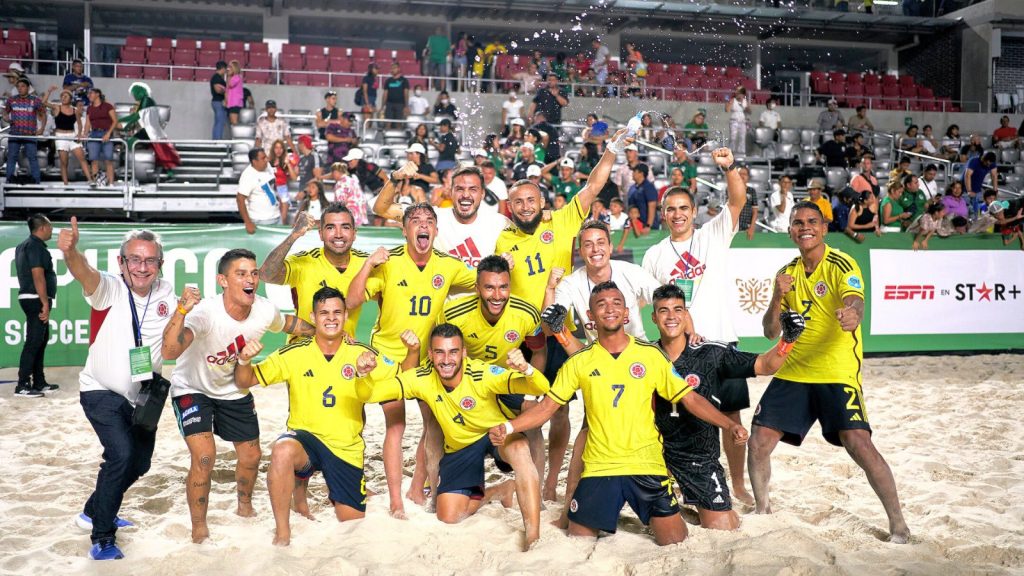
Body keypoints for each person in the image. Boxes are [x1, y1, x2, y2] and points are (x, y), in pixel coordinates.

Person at [490, 281, 747, 545]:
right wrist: (509, 427)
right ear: (590, 317)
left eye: (616, 303)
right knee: (579, 540)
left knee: (675, 541)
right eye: (601, 305)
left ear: (626, 313)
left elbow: (690, 399)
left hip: (647, 465)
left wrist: (728, 425)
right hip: (601, 468)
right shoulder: (579, 361)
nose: (609, 309)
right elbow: (546, 408)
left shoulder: (651, 355)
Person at [753, 201, 911, 544]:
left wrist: (853, 314)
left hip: (836, 369)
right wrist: (778, 298)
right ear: (790, 230)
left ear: (824, 228)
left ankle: (898, 525)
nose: (804, 227)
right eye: (798, 222)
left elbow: (855, 300)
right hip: (795, 369)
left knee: (858, 443)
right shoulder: (786, 272)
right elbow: (769, 332)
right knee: (759, 440)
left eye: (812, 221)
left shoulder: (842, 262)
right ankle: (762, 512)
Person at [495, 128, 627, 506]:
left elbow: (593, 185)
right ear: (510, 205)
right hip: (521, 335)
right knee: (530, 407)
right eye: (518, 201)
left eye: (531, 199)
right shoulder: (504, 238)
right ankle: (534, 476)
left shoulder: (562, 220)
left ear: (541, 200)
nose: (525, 206)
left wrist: (611, 150)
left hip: (557, 331)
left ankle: (552, 477)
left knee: (560, 409)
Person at [161, 249, 312, 544]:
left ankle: (244, 504)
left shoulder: (264, 310)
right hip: (193, 389)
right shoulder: (206, 312)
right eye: (241, 274)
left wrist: (328, 330)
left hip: (233, 389)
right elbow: (169, 352)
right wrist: (181, 311)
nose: (251, 279)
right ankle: (199, 528)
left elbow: (293, 325)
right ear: (223, 280)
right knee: (205, 457)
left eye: (254, 273)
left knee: (252, 456)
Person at [232, 286, 401, 546]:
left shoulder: (363, 354)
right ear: (312, 316)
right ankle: (282, 535)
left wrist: (405, 355)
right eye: (324, 313)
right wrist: (244, 361)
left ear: (346, 316)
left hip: (346, 448)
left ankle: (320, 490)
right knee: (282, 450)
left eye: (337, 312)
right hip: (306, 440)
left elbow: (405, 377)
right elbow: (246, 380)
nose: (331, 318)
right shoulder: (294, 353)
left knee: (352, 523)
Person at [356, 323, 548, 548]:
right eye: (439, 352)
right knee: (449, 515)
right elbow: (370, 393)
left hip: (494, 433)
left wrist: (526, 369)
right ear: (430, 354)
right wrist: (362, 375)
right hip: (460, 446)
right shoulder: (421, 378)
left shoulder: (481, 372)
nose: (446, 359)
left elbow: (539, 388)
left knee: (519, 448)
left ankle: (533, 537)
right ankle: (501, 490)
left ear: (464, 353)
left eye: (453, 351)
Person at [641, 147, 757, 505]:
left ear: (693, 211)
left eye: (683, 208)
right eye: (670, 209)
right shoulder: (654, 255)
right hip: (678, 349)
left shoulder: (713, 235)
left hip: (720, 340)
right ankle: (677, 479)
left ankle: (737, 482)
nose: (677, 214)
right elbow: (650, 303)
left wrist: (730, 167)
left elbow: (738, 200)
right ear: (663, 215)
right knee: (674, 418)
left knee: (730, 415)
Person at [346, 203, 477, 518]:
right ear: (404, 230)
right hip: (388, 356)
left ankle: (418, 487)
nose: (423, 225)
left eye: (429, 221)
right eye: (415, 221)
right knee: (396, 425)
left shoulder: (448, 265)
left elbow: (482, 284)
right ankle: (395, 501)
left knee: (435, 424)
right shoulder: (388, 262)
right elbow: (351, 301)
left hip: (424, 358)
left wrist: (506, 264)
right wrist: (367, 265)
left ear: (435, 231)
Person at [59, 221, 178, 559]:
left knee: (139, 464)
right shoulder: (108, 288)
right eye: (135, 260)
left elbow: (174, 339)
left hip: (143, 397)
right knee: (121, 455)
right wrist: (70, 252)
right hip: (100, 390)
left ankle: (94, 510)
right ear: (121, 262)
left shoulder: (166, 292)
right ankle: (102, 537)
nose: (142, 267)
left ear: (160, 265)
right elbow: (86, 274)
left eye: (150, 261)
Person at [651, 283, 804, 530]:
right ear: (654, 317)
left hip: (698, 455)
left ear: (686, 315)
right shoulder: (644, 354)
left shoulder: (712, 353)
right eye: (663, 311)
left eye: (677, 310)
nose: (671, 317)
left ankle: (715, 504)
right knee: (660, 525)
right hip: (653, 456)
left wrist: (788, 340)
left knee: (722, 526)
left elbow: (766, 365)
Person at [260, 204, 369, 342]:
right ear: (320, 234)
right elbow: (266, 275)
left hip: (343, 352)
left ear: (354, 233)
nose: (338, 234)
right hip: (301, 350)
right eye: (330, 227)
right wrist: (294, 235)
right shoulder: (304, 261)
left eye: (345, 227)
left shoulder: (366, 263)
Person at [14, 214, 58, 397]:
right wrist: (44, 303)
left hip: (30, 297)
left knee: (40, 339)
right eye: (50, 226)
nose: (52, 229)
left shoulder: (24, 245)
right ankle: (23, 384)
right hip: (35, 298)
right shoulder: (35, 247)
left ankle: (39, 381)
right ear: (41, 228)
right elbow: (38, 275)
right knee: (34, 341)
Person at [42, 86, 95, 185]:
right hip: (60, 137)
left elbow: (79, 124)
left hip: (72, 135)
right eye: (62, 96)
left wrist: (79, 134)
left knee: (82, 158)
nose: (63, 98)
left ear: (70, 99)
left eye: (66, 96)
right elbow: (44, 103)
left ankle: (90, 180)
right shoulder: (57, 107)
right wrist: (49, 91)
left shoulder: (75, 110)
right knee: (64, 162)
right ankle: (66, 183)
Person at [3, 77, 45, 184]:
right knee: (11, 157)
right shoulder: (11, 100)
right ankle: (9, 180)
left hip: (30, 134)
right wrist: (5, 117)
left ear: (28, 87)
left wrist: (42, 129)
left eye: (22, 86)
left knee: (32, 158)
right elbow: (5, 112)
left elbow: (43, 114)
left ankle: (36, 181)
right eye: (18, 86)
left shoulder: (35, 100)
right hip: (14, 133)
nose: (20, 88)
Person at [236, 148, 281, 232]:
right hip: (260, 220)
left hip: (276, 216)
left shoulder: (268, 166)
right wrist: (248, 222)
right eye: (263, 158)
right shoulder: (248, 176)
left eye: (266, 157)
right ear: (254, 162)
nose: (266, 160)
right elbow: (240, 199)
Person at [84, 88, 118, 186]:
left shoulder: (108, 106)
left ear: (97, 94)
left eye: (91, 93)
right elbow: (87, 124)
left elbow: (115, 121)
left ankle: (111, 183)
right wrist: (84, 134)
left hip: (106, 133)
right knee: (93, 160)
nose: (89, 95)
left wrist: (108, 133)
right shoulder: (89, 108)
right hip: (94, 134)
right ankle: (96, 182)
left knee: (108, 160)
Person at [627, 163, 660, 230]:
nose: (632, 173)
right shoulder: (632, 188)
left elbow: (652, 206)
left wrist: (648, 225)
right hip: (635, 226)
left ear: (641, 173)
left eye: (634, 172)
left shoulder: (649, 187)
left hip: (647, 227)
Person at [383, 62, 410, 129]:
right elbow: (385, 94)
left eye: (394, 68)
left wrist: (406, 106)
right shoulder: (388, 81)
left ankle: (398, 138)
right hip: (389, 104)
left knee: (399, 123)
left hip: (400, 104)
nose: (393, 70)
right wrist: (382, 106)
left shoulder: (404, 80)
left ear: (398, 69)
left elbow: (406, 93)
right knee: (388, 123)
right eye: (391, 68)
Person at [726, 86, 749, 155]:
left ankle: (741, 154)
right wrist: (729, 103)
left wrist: (744, 105)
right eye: (738, 93)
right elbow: (727, 110)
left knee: (742, 138)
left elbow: (749, 111)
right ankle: (731, 153)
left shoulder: (745, 101)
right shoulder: (733, 100)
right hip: (734, 121)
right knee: (733, 138)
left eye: (741, 93)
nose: (739, 94)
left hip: (742, 121)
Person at [210, 60, 228, 139]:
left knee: (219, 121)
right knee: (219, 122)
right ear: (223, 68)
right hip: (218, 102)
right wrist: (226, 91)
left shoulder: (218, 77)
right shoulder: (216, 77)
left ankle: (217, 140)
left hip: (218, 102)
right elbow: (217, 90)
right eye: (225, 69)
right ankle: (217, 141)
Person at [225, 60, 244, 127]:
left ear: (234, 68)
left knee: (234, 122)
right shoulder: (234, 77)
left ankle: (237, 136)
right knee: (232, 122)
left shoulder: (237, 77)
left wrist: (229, 76)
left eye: (230, 67)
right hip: (231, 103)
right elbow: (227, 89)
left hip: (235, 103)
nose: (229, 69)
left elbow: (230, 84)